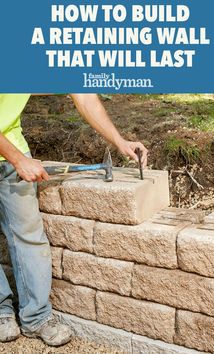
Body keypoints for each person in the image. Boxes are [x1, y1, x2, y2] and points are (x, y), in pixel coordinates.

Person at [0, 94, 148, 346]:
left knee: (29, 236)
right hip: (13, 156)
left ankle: (36, 318)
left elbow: (85, 97)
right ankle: (2, 312)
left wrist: (118, 140)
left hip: (10, 145)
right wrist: (18, 159)